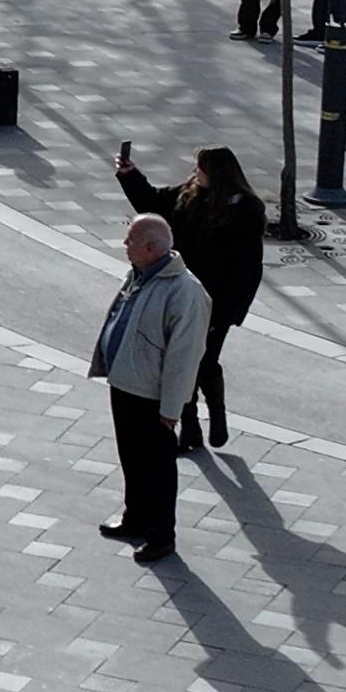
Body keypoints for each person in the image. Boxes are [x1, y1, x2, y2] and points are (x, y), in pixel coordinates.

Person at [110, 143, 264, 449]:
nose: (194, 172)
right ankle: (190, 426)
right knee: (180, 361)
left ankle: (216, 415)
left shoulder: (245, 210)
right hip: (181, 294)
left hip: (217, 304)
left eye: (200, 168)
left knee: (205, 361)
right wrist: (129, 174)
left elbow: (248, 269)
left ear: (216, 174)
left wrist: (232, 312)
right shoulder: (188, 195)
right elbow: (152, 201)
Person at [91, 216, 205, 564]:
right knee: (131, 458)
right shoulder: (140, 274)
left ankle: (160, 536)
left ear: (152, 248)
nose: (125, 247)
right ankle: (135, 517)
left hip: (152, 396)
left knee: (156, 467)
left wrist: (171, 409)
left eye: (130, 242)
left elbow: (184, 359)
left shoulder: (184, 292)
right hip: (125, 385)